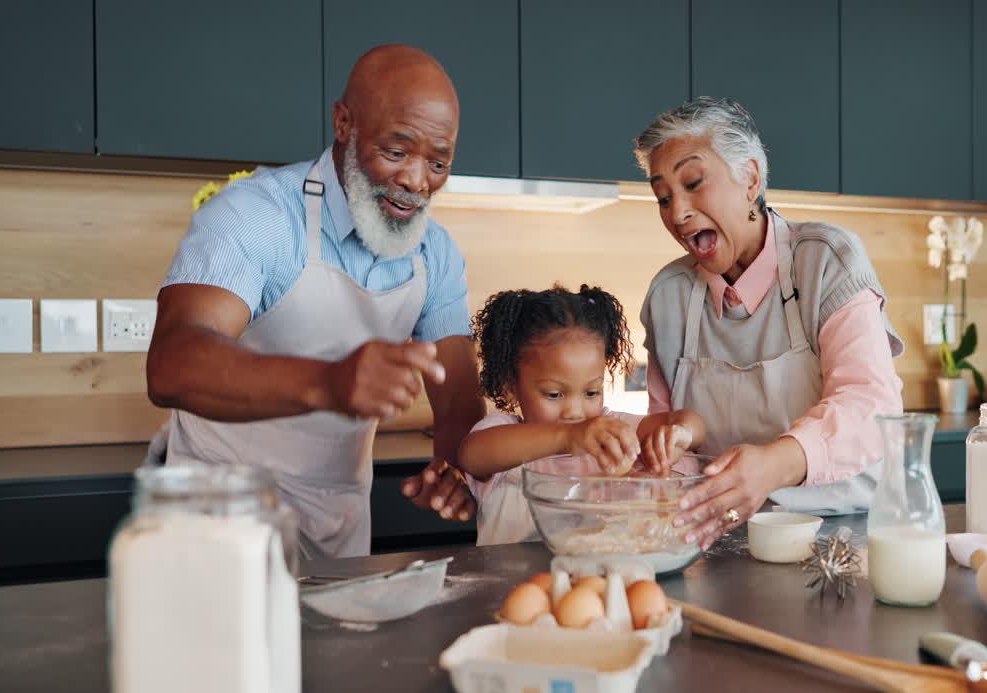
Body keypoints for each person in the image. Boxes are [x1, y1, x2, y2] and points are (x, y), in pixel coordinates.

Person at [146, 45, 485, 559]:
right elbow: (173, 365)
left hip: (338, 532)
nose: (417, 182)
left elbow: (458, 401)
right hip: (215, 526)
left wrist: (455, 469)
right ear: (344, 123)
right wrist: (330, 381)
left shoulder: (434, 255)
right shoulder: (256, 215)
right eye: (396, 152)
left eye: (438, 163)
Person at [634, 97, 905, 551]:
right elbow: (666, 443)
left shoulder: (825, 260)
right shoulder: (668, 297)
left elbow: (869, 406)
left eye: (694, 183)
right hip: (718, 543)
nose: (676, 213)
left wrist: (772, 467)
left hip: (844, 540)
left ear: (751, 178)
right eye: (663, 197)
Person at [458, 285, 707, 545]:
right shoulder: (503, 435)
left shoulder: (612, 430)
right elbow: (472, 455)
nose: (575, 412)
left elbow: (687, 422)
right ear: (511, 386)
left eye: (591, 392)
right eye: (554, 395)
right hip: (513, 584)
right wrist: (568, 436)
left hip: (597, 582)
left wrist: (679, 435)